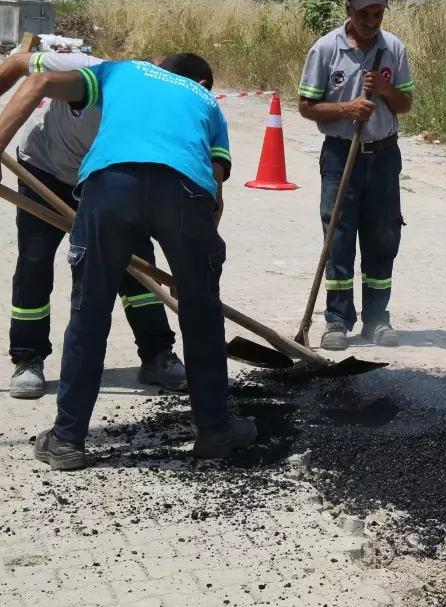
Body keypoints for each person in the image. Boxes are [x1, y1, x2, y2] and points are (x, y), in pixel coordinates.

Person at [0, 54, 256, 470]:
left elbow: (39, 83)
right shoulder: (207, 101)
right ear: (198, 79)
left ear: (160, 65)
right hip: (186, 191)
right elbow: (216, 185)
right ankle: (215, 431)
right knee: (202, 312)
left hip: (111, 185)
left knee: (90, 311)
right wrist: (194, 267)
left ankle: (67, 440)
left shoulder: (120, 70)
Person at [0, 50, 187, 399]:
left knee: (138, 267)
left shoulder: (172, 109)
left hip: (105, 180)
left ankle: (157, 354)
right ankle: (28, 357)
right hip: (46, 170)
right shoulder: (86, 70)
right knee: (35, 262)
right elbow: (24, 72)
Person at [297, 0, 414, 350]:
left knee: (383, 237)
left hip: (382, 156)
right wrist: (346, 108)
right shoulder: (325, 50)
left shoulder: (393, 49)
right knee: (339, 237)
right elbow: (305, 106)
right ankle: (336, 320)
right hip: (339, 155)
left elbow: (406, 104)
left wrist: (384, 91)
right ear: (349, 10)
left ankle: (377, 319)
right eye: (364, 13)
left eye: (377, 13)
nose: (371, 20)